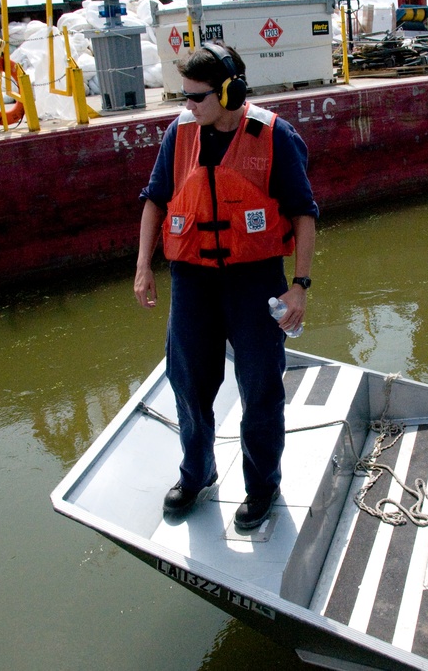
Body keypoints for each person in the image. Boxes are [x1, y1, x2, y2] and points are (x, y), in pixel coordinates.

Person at [134, 43, 318, 531]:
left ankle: (262, 486)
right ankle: (197, 473)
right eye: (184, 97)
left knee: (259, 388)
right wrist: (142, 267)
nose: (187, 106)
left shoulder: (275, 137)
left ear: (230, 91)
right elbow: (155, 201)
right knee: (189, 384)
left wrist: (299, 286)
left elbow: (304, 214)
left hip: (254, 280)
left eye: (196, 97)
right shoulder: (180, 134)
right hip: (192, 279)